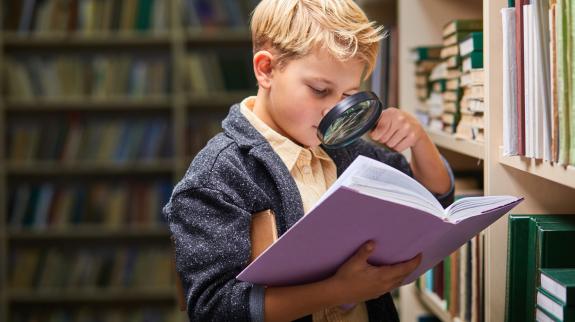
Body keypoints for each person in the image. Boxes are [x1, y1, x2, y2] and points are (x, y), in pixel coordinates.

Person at [163, 0, 454, 321]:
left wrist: (420, 140)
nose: (334, 111)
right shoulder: (220, 174)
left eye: (348, 96)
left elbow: (434, 200)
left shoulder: (345, 149)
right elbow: (213, 309)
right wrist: (340, 290)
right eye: (319, 90)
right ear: (266, 69)